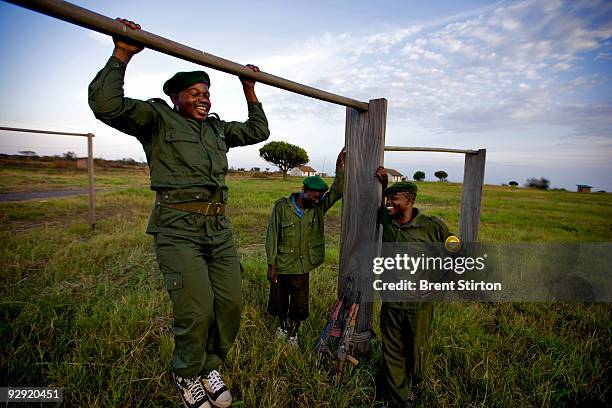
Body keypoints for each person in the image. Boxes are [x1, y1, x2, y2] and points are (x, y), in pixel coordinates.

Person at [88, 18, 270, 408]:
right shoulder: (157, 119)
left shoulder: (217, 130)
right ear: (175, 97)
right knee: (196, 308)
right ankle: (186, 374)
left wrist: (249, 89)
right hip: (177, 228)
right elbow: (106, 106)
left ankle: (209, 366)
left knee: (230, 303)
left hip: (218, 228)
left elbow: (258, 133)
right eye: (194, 92)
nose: (204, 98)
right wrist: (122, 54)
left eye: (207, 93)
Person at [374, 167, 452, 408]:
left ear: (409, 201)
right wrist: (385, 184)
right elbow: (381, 204)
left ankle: (412, 381)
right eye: (387, 199)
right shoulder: (387, 218)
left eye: (394, 199)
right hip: (391, 302)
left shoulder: (432, 227)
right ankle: (400, 398)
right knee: (392, 350)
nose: (389, 203)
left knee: (416, 353)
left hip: (418, 306)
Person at [265, 149, 346, 347]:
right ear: (304, 191)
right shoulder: (282, 208)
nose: (318, 200)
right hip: (282, 263)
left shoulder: (317, 207)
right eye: (315, 196)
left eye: (320, 197)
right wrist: (271, 264)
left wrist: (340, 169)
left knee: (299, 302)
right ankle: (282, 327)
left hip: (302, 265)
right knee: (279, 300)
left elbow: (338, 191)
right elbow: (272, 235)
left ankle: (293, 334)